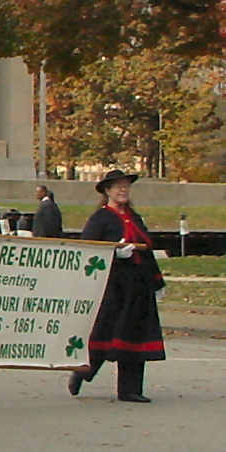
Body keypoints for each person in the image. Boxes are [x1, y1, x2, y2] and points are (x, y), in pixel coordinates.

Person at [68, 169, 165, 403]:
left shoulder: (135, 216)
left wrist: (157, 282)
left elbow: (147, 250)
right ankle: (83, 371)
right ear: (107, 191)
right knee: (105, 333)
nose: (123, 190)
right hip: (113, 287)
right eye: (117, 186)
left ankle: (130, 389)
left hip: (138, 287)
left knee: (136, 335)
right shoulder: (100, 219)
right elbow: (88, 250)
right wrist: (113, 252)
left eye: (125, 186)